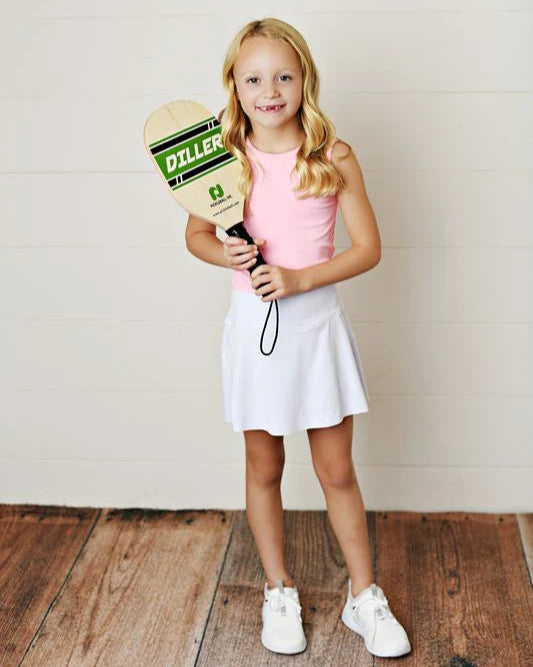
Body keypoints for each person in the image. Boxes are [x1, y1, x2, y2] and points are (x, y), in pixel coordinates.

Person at [185, 16, 411, 660]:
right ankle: (278, 589)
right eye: (254, 77)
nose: (270, 89)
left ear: (304, 79)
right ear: (235, 84)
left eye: (284, 75)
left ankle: (364, 596)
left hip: (317, 333)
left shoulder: (332, 156)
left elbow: (367, 249)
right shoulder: (223, 160)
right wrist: (228, 258)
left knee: (337, 469)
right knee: (265, 466)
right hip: (252, 331)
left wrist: (298, 276)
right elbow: (196, 236)